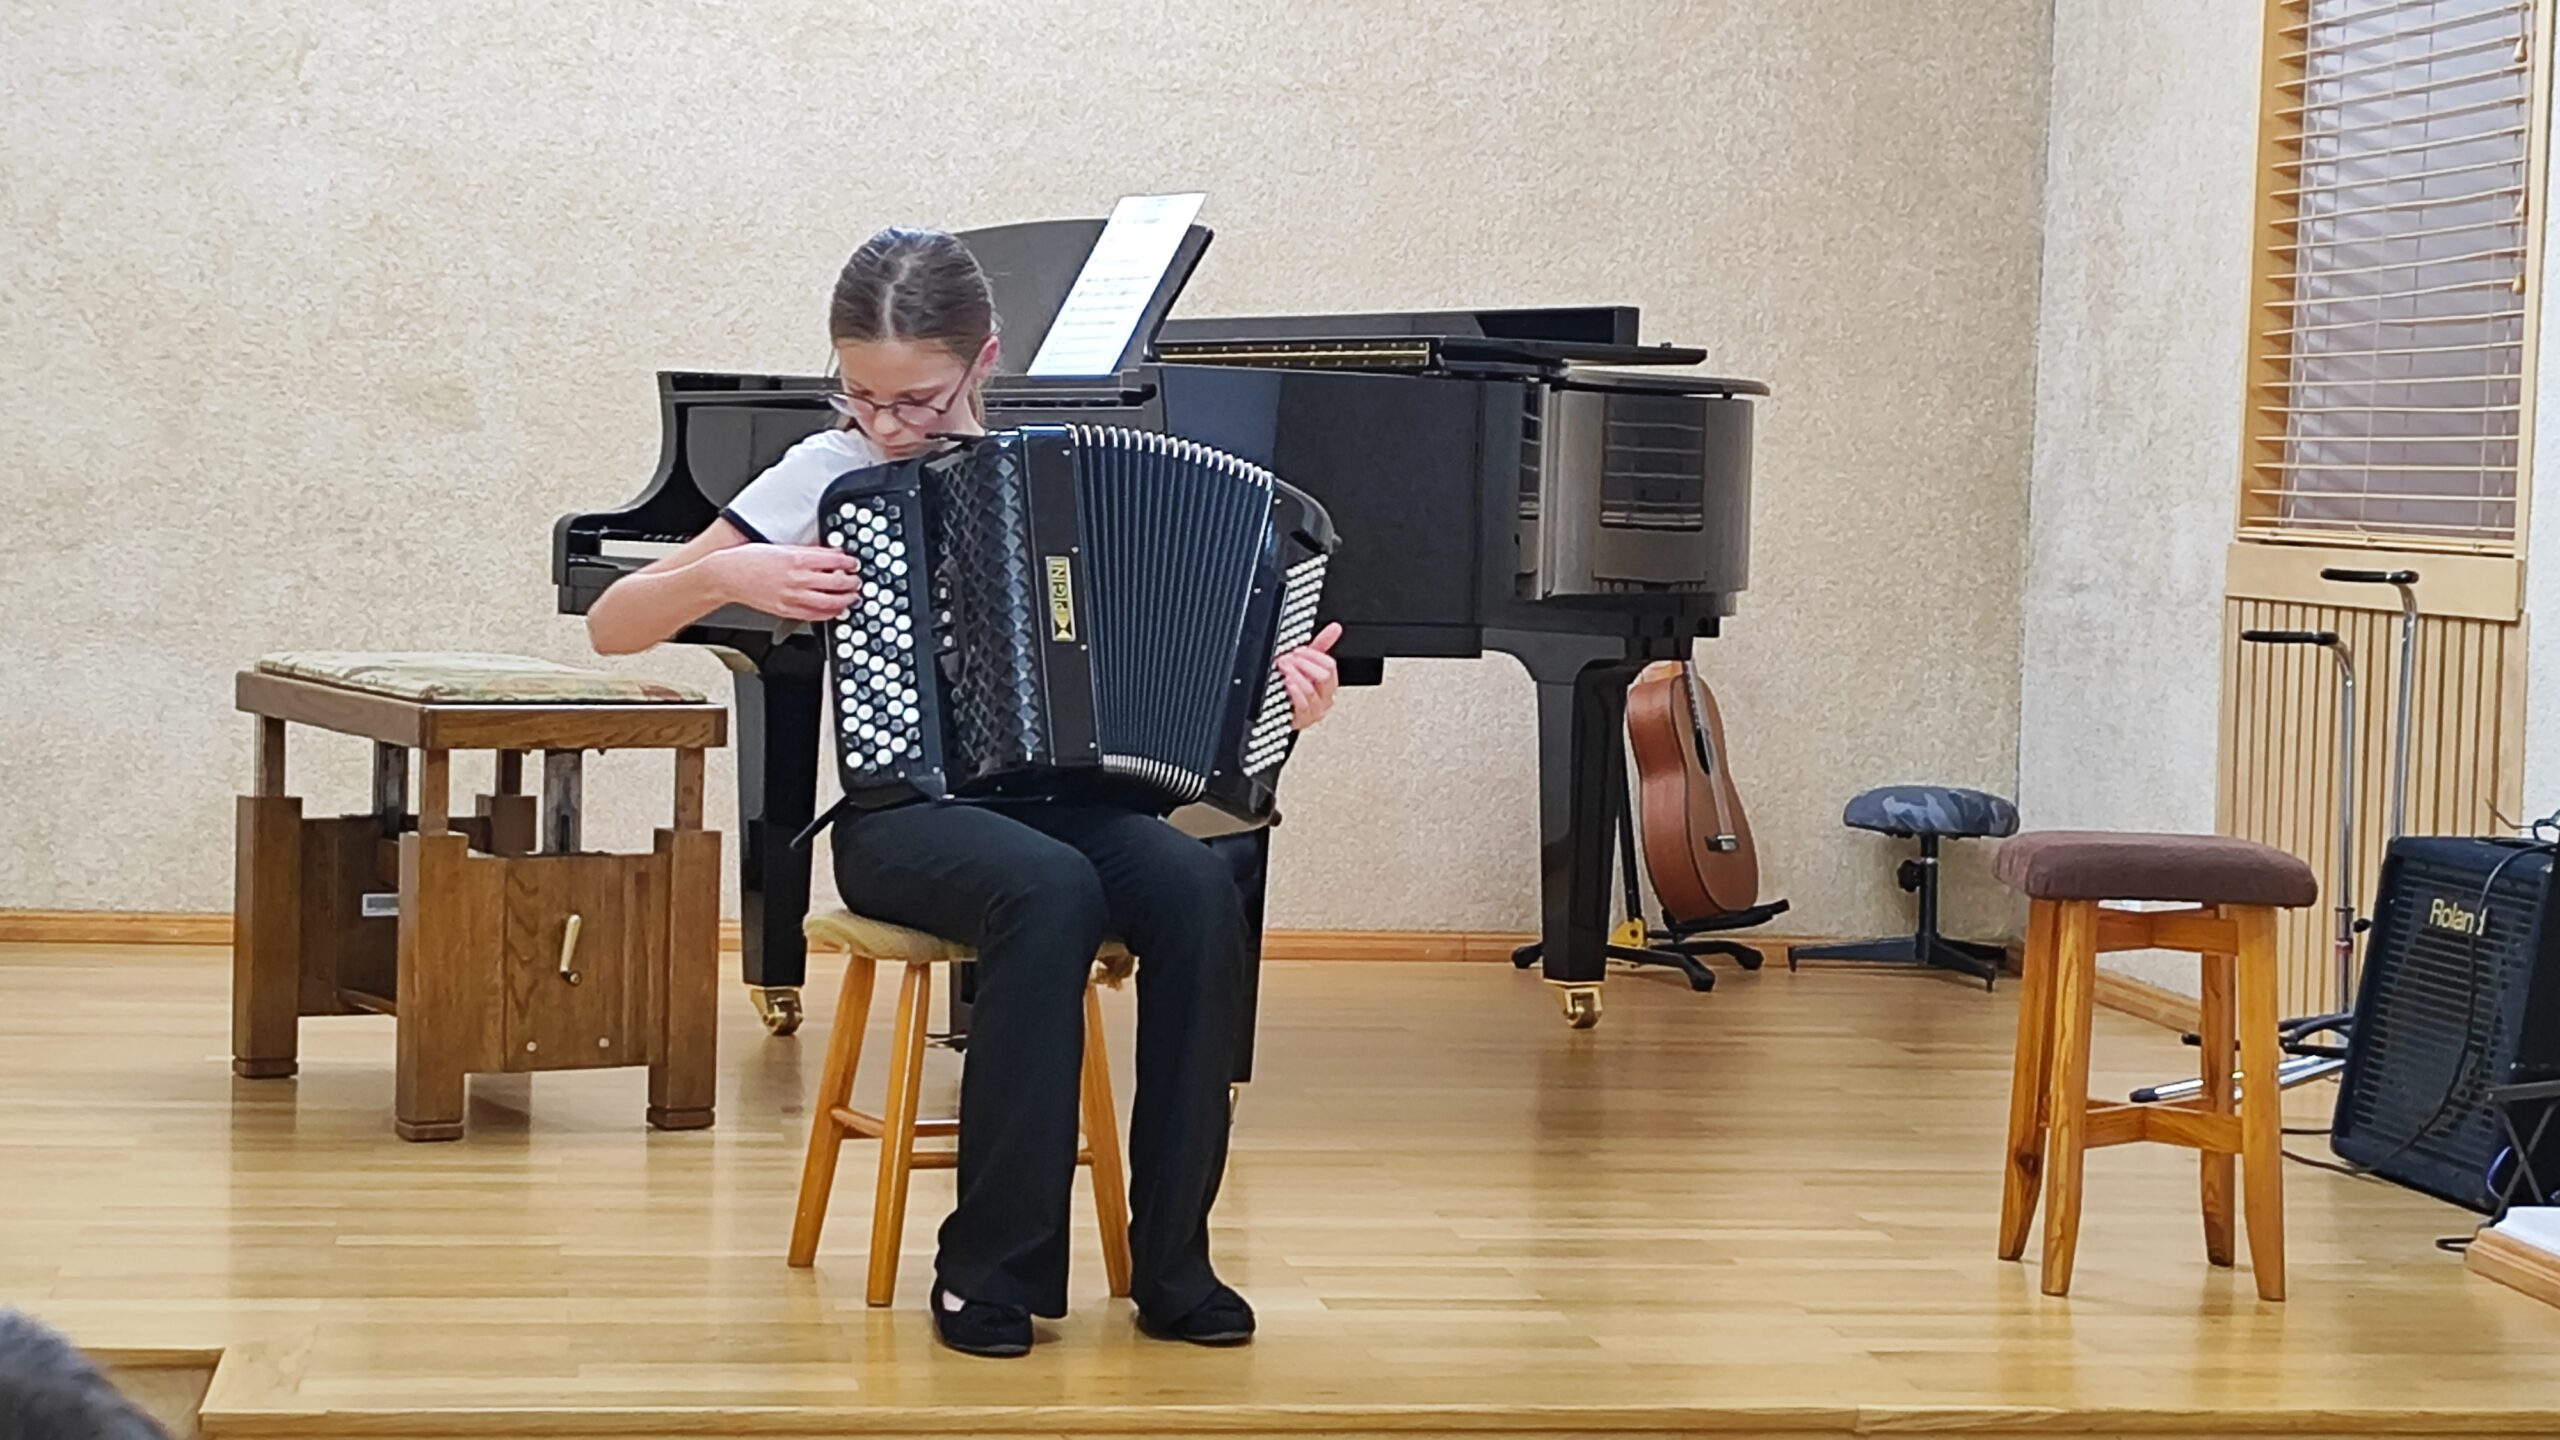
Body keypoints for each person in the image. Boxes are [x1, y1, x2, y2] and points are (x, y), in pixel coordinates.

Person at [587, 226, 1342, 1357]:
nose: (886, 426)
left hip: (1070, 807)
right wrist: (726, 573)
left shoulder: (1067, 474)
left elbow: (1203, 697)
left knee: (1191, 884)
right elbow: (613, 624)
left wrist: (1285, 695)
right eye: (862, 396)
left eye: (918, 400)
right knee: (1044, 892)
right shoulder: (823, 473)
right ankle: (989, 1269)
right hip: (907, 820)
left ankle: (1174, 1266)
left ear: (982, 362)